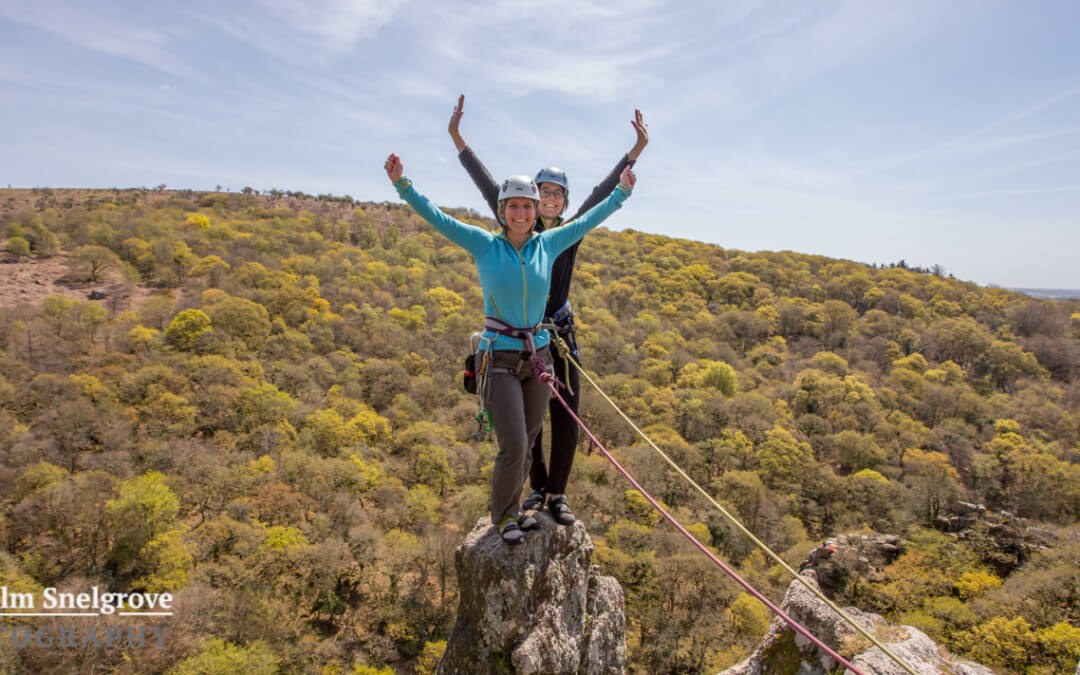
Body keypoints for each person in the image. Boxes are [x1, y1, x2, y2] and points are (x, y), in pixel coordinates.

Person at [383, 152, 635, 544]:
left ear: (536, 212)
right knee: (515, 444)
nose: (520, 213)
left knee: (531, 438)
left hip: (537, 354)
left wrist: (621, 193)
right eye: (513, 206)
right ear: (502, 210)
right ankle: (503, 516)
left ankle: (516, 509)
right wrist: (403, 185)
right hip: (498, 355)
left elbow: (588, 219)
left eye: (527, 206)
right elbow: (438, 218)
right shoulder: (484, 244)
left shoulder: (547, 245)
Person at [448, 94, 648, 526]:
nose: (552, 199)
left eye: (559, 194)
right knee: (528, 421)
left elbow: (603, 194)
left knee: (567, 413)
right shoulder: (520, 227)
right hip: (525, 335)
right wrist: (460, 142)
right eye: (545, 194)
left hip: (560, 332)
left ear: (564, 200)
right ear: (533, 200)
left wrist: (635, 154)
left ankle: (557, 492)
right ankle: (535, 490)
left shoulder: (569, 233)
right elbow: (488, 187)